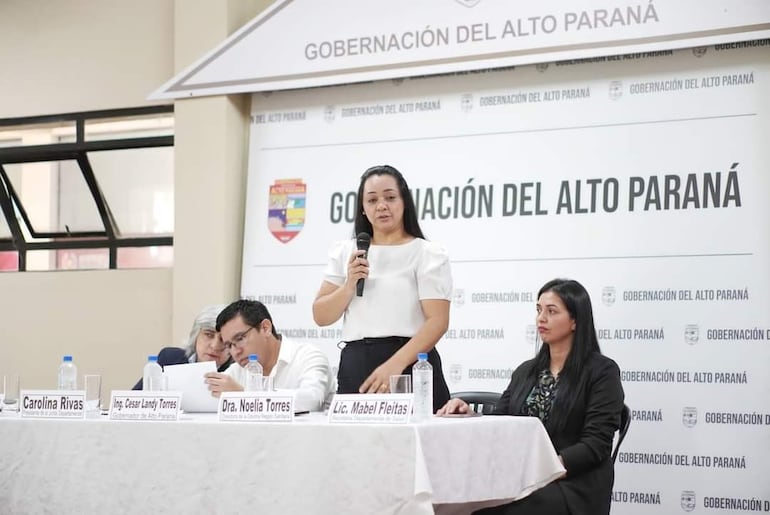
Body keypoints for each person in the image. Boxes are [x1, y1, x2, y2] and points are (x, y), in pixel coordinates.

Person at [437, 278, 625, 515]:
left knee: (501, 509)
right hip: (522, 479)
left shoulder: (601, 371)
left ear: (575, 320)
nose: (541, 318)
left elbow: (596, 444)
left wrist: (546, 468)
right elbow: (501, 421)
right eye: (538, 310)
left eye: (551, 311)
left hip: (573, 485)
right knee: (451, 504)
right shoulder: (526, 371)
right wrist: (469, 414)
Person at [312, 164, 453, 412]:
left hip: (410, 363)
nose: (381, 206)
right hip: (357, 364)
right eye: (372, 200)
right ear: (363, 208)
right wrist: (348, 285)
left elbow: (437, 321)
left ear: (404, 202)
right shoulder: (347, 251)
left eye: (390, 197)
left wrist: (395, 364)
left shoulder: (427, 253)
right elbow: (321, 316)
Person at [204, 299, 334, 412]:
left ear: (265, 328)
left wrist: (243, 396)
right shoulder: (236, 371)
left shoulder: (308, 357)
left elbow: (310, 401)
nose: (235, 352)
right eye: (229, 345)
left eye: (240, 339)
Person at [132, 304, 231, 390]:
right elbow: (133, 400)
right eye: (209, 334)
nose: (215, 346)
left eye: (222, 339)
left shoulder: (238, 372)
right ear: (195, 335)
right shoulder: (170, 359)